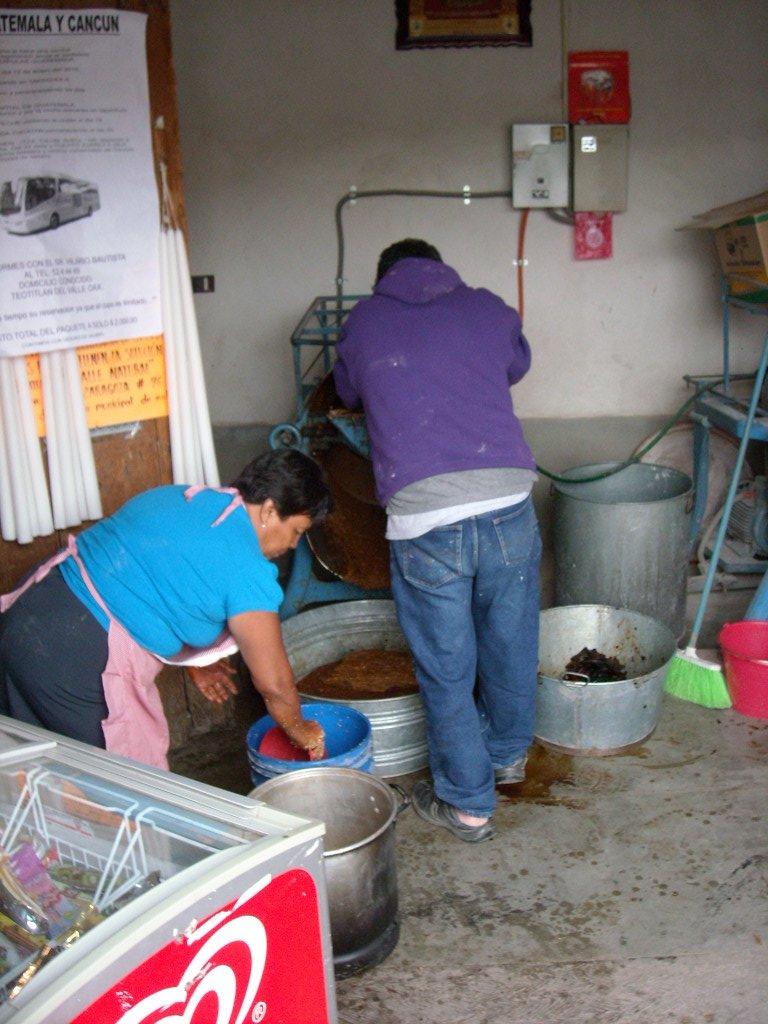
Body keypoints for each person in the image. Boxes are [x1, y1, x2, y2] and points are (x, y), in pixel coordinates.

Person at [333, 238, 540, 843]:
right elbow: (515, 365)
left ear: (383, 278)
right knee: (511, 641)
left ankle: (470, 805)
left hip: (425, 517)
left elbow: (347, 394)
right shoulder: (487, 307)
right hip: (508, 500)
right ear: (442, 267)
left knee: (448, 669)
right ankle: (506, 757)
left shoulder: (365, 321)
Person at [0, 449, 331, 768]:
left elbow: (155, 582)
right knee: (127, 792)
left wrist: (192, 662)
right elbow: (273, 682)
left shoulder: (183, 496)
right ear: (270, 511)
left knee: (30, 766)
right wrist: (300, 730)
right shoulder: (249, 571)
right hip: (72, 659)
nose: (292, 544)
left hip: (27, 615)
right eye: (297, 531)